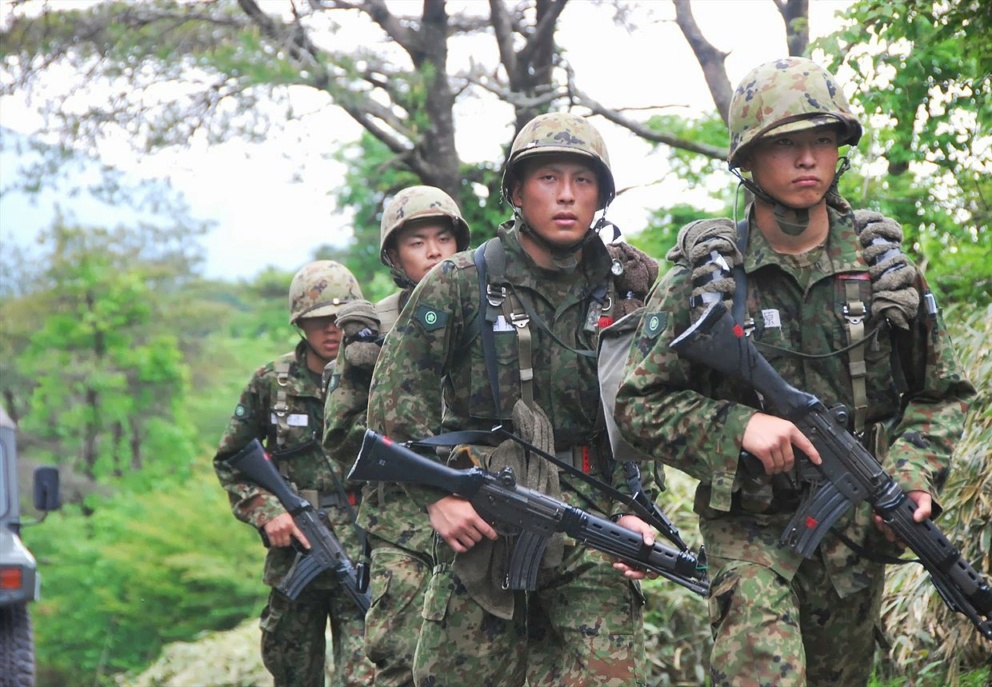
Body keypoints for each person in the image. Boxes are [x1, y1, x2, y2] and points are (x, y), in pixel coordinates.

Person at [614, 56, 976, 686]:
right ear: (750, 160)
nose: (809, 159)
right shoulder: (708, 282)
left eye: (823, 141)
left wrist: (913, 476)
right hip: (748, 533)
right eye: (787, 144)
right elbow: (638, 405)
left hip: (856, 534)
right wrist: (738, 428)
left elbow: (941, 395)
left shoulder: (884, 273)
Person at [364, 111, 662, 687]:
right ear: (517, 192)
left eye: (583, 180)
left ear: (602, 193)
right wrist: (438, 494)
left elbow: (646, 405)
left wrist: (639, 508)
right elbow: (396, 402)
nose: (567, 196)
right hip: (487, 512)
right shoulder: (458, 282)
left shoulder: (630, 285)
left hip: (595, 511)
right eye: (548, 178)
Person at [321, 185, 470, 687]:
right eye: (417, 242)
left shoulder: (488, 313)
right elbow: (342, 439)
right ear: (394, 255)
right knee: (401, 663)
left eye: (443, 237)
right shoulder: (373, 329)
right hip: (402, 530)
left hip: (483, 518)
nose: (433, 252)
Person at [213, 260, 375, 687]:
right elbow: (231, 458)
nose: (331, 330)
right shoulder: (271, 382)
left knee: (369, 674)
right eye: (317, 320)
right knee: (292, 671)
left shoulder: (377, 377)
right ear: (300, 324)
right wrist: (267, 511)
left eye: (340, 319)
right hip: (296, 556)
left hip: (364, 552)